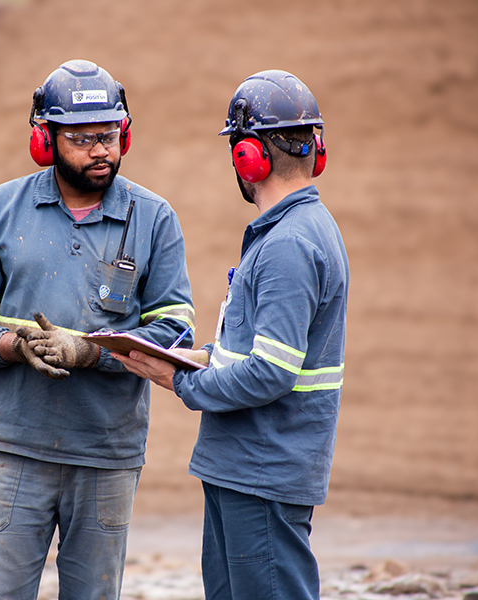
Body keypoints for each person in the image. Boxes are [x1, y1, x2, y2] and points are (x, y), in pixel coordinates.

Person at [0, 59, 195, 600]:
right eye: (81, 139)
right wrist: (13, 345)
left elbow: (175, 331)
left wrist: (89, 353)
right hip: (16, 452)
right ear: (45, 140)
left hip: (107, 457)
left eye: (109, 136)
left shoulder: (153, 219)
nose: (100, 151)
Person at [114, 69, 349, 600]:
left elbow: (272, 371)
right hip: (245, 467)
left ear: (248, 156)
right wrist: (199, 358)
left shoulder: (289, 244)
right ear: (315, 149)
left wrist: (180, 381)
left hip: (263, 470)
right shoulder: (295, 231)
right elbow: (259, 351)